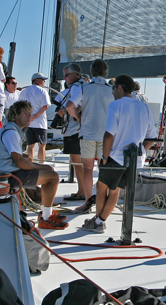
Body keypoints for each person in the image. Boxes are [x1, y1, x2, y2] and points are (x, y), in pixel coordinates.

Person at [81, 74, 157, 234]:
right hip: (135, 160)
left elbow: (109, 134)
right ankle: (99, 221)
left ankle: (98, 222)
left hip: (115, 157)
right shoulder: (144, 107)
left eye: (114, 88)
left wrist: (104, 157)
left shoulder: (116, 105)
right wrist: (141, 150)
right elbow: (152, 137)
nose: (112, 92)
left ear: (120, 88)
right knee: (115, 190)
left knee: (102, 186)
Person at [0, 100, 66, 230]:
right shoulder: (12, 133)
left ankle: (46, 213)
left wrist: (24, 157)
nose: (30, 117)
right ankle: (46, 218)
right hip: (9, 176)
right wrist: (42, 166)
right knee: (52, 176)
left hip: (5, 173)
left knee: (49, 173)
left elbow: (16, 157)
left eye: (30, 114)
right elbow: (19, 162)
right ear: (16, 116)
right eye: (26, 114)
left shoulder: (10, 130)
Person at [69, 59, 113, 214]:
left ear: (92, 72)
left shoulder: (84, 87)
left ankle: (88, 202)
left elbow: (69, 106)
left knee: (87, 168)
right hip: (106, 134)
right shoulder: (111, 89)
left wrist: (78, 118)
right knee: (104, 169)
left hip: (88, 132)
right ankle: (103, 202)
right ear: (106, 73)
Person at [57, 63, 86, 203]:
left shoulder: (76, 87)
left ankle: (81, 191)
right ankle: (83, 190)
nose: (65, 78)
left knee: (77, 162)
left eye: (67, 75)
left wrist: (76, 116)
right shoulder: (85, 85)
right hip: (81, 130)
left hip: (74, 130)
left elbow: (70, 107)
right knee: (80, 163)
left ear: (75, 74)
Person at [18, 72, 52, 163]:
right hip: (40, 123)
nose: (44, 81)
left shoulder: (24, 91)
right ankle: (41, 166)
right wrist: (36, 116)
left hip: (28, 123)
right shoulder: (42, 91)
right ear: (36, 80)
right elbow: (45, 106)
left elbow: (20, 106)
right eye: (42, 79)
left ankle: (30, 165)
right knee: (42, 145)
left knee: (30, 146)